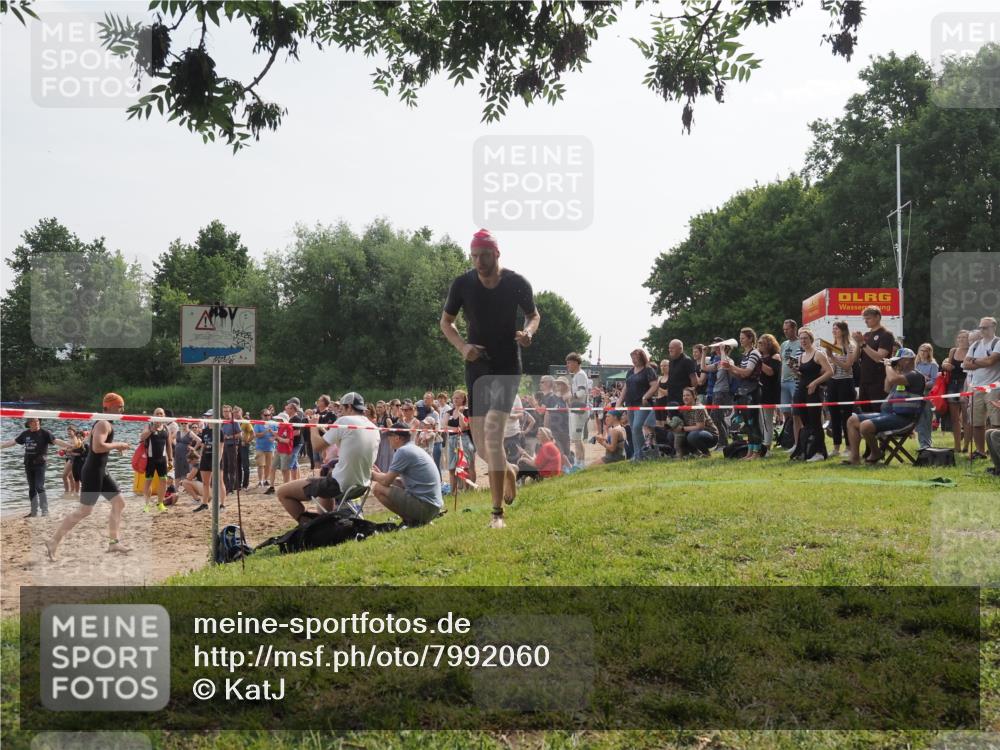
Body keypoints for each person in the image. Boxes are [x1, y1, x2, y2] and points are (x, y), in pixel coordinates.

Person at [440, 229, 541, 529]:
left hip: (507, 366)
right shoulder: (462, 283)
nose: (479, 262)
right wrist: (463, 347)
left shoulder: (516, 283)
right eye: (474, 256)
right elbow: (446, 323)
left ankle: (497, 514)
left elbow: (533, 315)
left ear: (496, 253)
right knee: (484, 448)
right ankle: (509, 471)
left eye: (484, 255)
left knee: (494, 439)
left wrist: (528, 333)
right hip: (477, 367)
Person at [43, 393, 133, 559]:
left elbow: (91, 445)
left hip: (100, 470)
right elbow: (98, 447)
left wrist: (113, 446)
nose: (122, 409)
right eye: (119, 406)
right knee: (84, 511)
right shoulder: (103, 423)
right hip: (92, 472)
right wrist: (119, 445)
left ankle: (114, 543)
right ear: (109, 406)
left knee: (119, 503)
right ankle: (53, 541)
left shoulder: (103, 422)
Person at [276, 392, 380, 523]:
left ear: (349, 406)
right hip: (362, 486)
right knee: (326, 475)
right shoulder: (372, 426)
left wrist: (313, 425)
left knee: (282, 492)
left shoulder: (345, 421)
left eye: (342, 409)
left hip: (340, 485)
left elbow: (317, 447)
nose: (340, 413)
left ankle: (312, 526)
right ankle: (328, 521)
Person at [844, 348, 925, 465]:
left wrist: (888, 365)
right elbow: (887, 387)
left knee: (865, 426)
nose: (895, 363)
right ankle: (854, 458)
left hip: (904, 419)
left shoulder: (915, 375)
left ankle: (876, 452)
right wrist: (892, 368)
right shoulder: (901, 375)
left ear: (907, 360)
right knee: (852, 419)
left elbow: (893, 379)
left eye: (898, 361)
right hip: (889, 414)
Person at [371, 422, 444, 526]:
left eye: (389, 436)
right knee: (393, 484)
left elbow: (386, 481)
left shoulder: (403, 451)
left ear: (397, 437)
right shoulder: (412, 448)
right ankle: (415, 520)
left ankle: (411, 521)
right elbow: (395, 481)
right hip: (433, 507)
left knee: (378, 488)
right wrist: (380, 475)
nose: (388, 439)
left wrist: (371, 474)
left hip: (426, 507)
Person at [1, 418, 72, 517]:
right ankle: (33, 511)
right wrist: (1, 446)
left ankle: (45, 510)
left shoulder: (45, 433)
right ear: (30, 423)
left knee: (39, 486)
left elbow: (56, 441)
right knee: (32, 489)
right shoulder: (25, 434)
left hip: (40, 464)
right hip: (28, 464)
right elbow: (13, 442)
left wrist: (70, 445)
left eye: (38, 421)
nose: (37, 423)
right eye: (34, 421)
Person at [789, 328, 834, 462]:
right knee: (806, 423)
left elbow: (829, 371)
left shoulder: (818, 354)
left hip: (814, 392)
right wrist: (794, 371)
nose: (803, 341)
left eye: (805, 338)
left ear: (811, 340)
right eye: (801, 338)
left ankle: (820, 452)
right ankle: (807, 450)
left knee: (815, 422)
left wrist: (815, 383)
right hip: (801, 391)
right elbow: (803, 375)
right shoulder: (800, 357)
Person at [723, 328, 764, 460]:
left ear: (751, 339)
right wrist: (729, 369)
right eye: (740, 338)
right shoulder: (745, 354)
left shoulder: (754, 353)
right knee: (748, 423)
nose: (740, 340)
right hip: (744, 391)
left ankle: (756, 452)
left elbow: (747, 372)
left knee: (753, 422)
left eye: (743, 338)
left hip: (753, 391)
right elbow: (740, 375)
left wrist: (732, 366)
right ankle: (749, 452)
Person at [963, 316, 1000, 459]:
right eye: (981, 327)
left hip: (994, 387)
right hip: (976, 388)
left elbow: (991, 361)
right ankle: (980, 451)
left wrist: (974, 361)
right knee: (976, 422)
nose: (982, 330)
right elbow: (965, 364)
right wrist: (982, 361)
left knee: (996, 421)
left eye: (985, 327)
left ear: (993, 328)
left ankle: (996, 451)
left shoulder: (997, 343)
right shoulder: (975, 345)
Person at [824, 321, 858, 458]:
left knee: (846, 416)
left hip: (846, 382)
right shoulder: (831, 346)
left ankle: (849, 446)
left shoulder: (849, 346)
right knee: (834, 416)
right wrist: (828, 359)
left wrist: (832, 357)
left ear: (843, 331)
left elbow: (848, 366)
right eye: (833, 329)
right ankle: (836, 447)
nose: (834, 331)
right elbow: (830, 367)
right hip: (833, 383)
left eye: (836, 329)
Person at [851, 306, 895, 404]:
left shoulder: (886, 334)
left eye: (868, 318)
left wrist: (862, 343)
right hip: (864, 380)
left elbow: (879, 358)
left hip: (878, 381)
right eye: (865, 319)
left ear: (878, 317)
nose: (866, 321)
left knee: (877, 412)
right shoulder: (866, 335)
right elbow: (854, 359)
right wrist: (858, 343)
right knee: (865, 412)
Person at [622, 348, 659, 461]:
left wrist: (645, 396)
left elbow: (655, 385)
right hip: (630, 403)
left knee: (637, 427)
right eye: (632, 358)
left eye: (636, 357)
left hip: (642, 404)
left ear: (642, 357)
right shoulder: (630, 371)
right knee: (633, 429)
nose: (633, 360)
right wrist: (619, 401)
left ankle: (643, 454)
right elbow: (626, 387)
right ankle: (638, 455)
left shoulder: (648, 370)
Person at [139, 408, 174, 512]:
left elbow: (169, 446)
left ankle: (160, 503)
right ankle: (146, 505)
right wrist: (151, 430)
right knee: (148, 481)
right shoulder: (149, 426)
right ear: (153, 415)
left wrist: (170, 459)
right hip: (150, 459)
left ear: (164, 416)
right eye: (157, 413)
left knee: (163, 480)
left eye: (161, 414)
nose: (159, 415)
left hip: (162, 459)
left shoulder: (166, 428)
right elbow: (142, 437)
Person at [941, 330, 970, 453]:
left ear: (969, 340)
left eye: (964, 337)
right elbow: (946, 362)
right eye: (959, 337)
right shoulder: (953, 351)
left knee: (966, 418)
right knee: (954, 419)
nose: (961, 340)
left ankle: (966, 446)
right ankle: (957, 445)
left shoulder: (972, 351)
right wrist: (945, 364)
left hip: (966, 384)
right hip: (952, 384)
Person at [701, 341, 734, 448]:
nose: (716, 351)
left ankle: (723, 443)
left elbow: (725, 366)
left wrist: (723, 350)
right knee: (717, 418)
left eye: (718, 349)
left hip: (723, 392)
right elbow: (704, 368)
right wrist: (704, 354)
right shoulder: (718, 363)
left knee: (715, 418)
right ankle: (722, 443)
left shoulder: (728, 361)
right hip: (716, 392)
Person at [193, 410, 227, 512]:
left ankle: (222, 504)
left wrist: (218, 460)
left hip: (216, 457)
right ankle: (205, 503)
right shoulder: (205, 430)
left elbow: (221, 447)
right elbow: (203, 444)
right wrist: (201, 456)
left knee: (220, 481)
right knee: (205, 483)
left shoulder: (219, 430)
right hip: (205, 458)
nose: (207, 418)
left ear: (214, 417)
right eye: (206, 417)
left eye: (209, 416)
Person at [444, 389, 476, 493]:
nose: (455, 400)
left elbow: (464, 426)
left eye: (458, 398)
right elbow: (444, 426)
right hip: (452, 440)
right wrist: (454, 429)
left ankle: (469, 490)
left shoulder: (467, 412)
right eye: (454, 398)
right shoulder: (449, 412)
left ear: (463, 399)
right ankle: (452, 491)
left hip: (465, 439)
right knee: (451, 467)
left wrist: (461, 414)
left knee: (468, 465)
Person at [674, 387, 719, 457]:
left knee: (692, 436)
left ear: (694, 396)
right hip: (694, 432)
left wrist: (682, 428)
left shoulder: (699, 408)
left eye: (688, 395)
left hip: (710, 435)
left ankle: (706, 453)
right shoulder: (682, 408)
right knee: (672, 435)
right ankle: (693, 453)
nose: (685, 397)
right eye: (684, 395)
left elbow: (700, 427)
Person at [757, 334, 783, 455]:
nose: (759, 345)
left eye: (762, 343)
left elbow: (771, 372)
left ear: (769, 344)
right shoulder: (760, 357)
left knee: (768, 420)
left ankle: (767, 447)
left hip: (770, 392)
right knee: (760, 420)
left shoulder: (775, 356)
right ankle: (761, 444)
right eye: (759, 343)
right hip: (759, 391)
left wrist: (759, 362)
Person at [779, 320, 803, 445]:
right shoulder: (783, 344)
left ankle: (799, 441)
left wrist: (794, 364)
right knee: (786, 411)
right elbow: (782, 361)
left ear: (794, 329)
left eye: (787, 329)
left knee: (797, 413)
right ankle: (789, 438)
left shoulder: (801, 342)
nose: (785, 331)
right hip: (784, 381)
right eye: (784, 329)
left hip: (795, 381)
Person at [565, 353, 591, 468]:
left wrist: (569, 396)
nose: (567, 365)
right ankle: (579, 463)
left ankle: (580, 464)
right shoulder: (577, 375)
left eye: (569, 362)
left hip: (580, 410)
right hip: (577, 410)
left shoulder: (580, 375)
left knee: (577, 439)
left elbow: (581, 393)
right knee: (576, 439)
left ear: (576, 362)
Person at [914, 343, 940, 451]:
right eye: (921, 350)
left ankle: (926, 444)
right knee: (919, 419)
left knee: (926, 419)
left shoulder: (933, 365)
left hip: (927, 394)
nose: (923, 353)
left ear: (930, 352)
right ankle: (922, 444)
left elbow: (934, 381)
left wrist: (921, 382)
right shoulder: (916, 364)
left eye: (926, 351)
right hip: (915, 394)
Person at [253, 409, 275, 487]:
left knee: (268, 465)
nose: (267, 417)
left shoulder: (273, 423)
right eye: (265, 415)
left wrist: (273, 436)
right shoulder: (258, 423)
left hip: (270, 448)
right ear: (262, 415)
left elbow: (278, 433)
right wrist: (266, 431)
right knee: (260, 465)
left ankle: (266, 480)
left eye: (269, 415)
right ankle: (260, 481)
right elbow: (256, 435)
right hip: (260, 448)